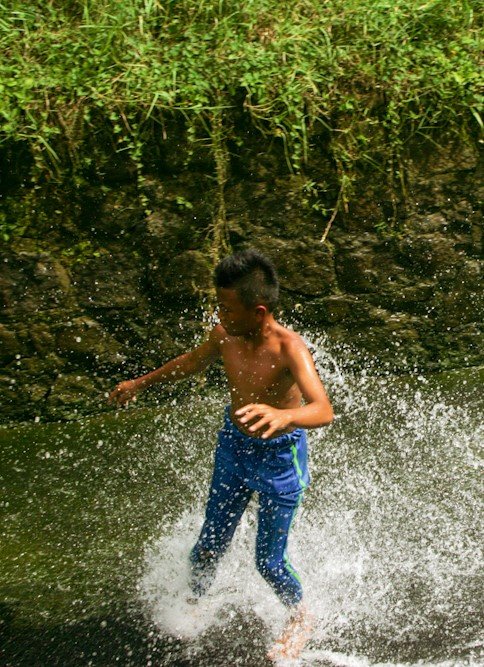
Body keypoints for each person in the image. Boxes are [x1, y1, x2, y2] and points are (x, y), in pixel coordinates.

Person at [108, 248, 334, 660]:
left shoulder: (290, 348)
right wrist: (140, 383)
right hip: (233, 446)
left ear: (259, 311)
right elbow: (191, 363)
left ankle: (302, 616)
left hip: (281, 457)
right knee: (209, 544)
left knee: (268, 562)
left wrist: (284, 416)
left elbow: (323, 409)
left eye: (227, 308)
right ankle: (193, 603)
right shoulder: (223, 336)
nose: (220, 315)